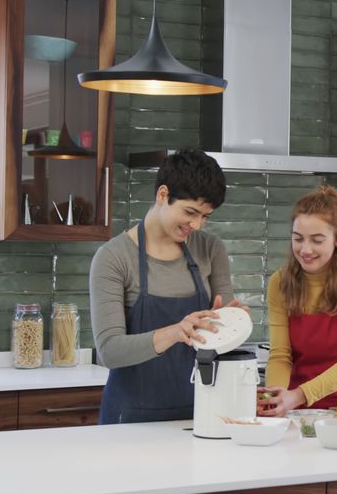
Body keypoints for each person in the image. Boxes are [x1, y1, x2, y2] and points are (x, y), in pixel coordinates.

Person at [90, 148, 240, 424]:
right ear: (162, 195)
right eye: (190, 212)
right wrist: (174, 332)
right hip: (130, 420)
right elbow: (109, 351)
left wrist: (232, 322)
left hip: (199, 415)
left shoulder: (210, 249)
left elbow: (221, 341)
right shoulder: (113, 258)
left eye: (205, 216)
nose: (196, 224)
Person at [259, 185, 337, 416]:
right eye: (298, 239)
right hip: (297, 410)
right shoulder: (280, 282)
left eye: (316, 240)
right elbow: (280, 355)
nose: (305, 249)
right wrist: (274, 398)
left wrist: (296, 396)